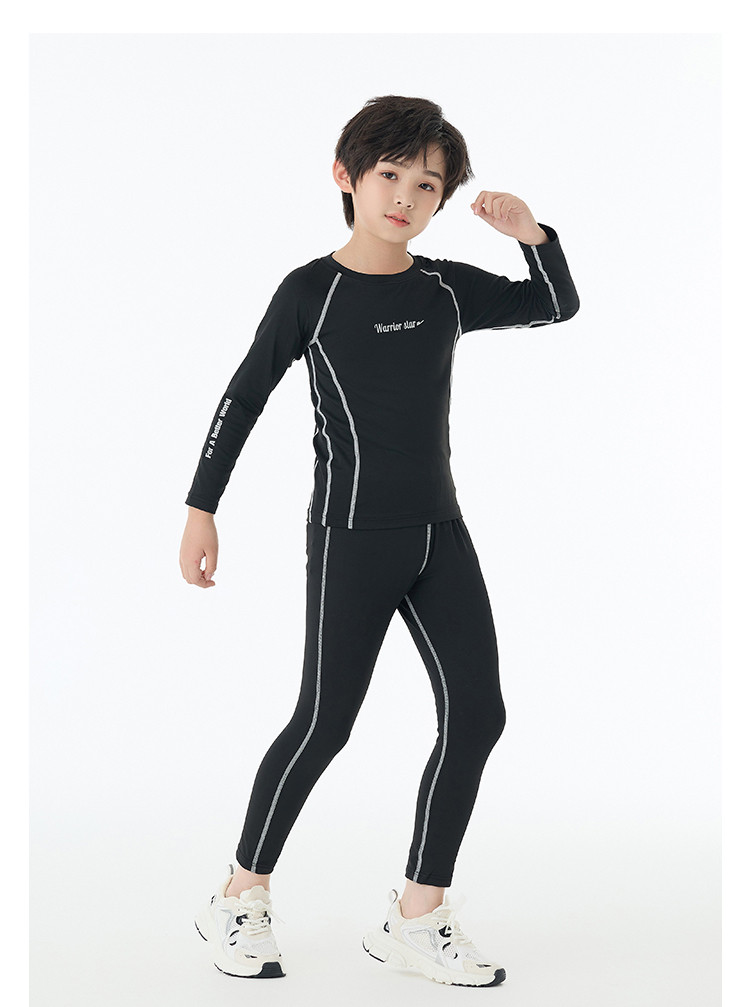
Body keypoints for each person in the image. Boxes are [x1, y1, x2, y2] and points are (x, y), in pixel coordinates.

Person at [181, 94, 580, 987]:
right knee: (325, 723)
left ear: (442, 198)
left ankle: (418, 914)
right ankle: (238, 893)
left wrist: (532, 235)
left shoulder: (444, 288)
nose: (405, 196)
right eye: (390, 174)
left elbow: (555, 305)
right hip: (352, 538)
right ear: (347, 176)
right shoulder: (310, 293)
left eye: (427, 184)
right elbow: (242, 396)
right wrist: (202, 507)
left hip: (440, 534)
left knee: (478, 714)